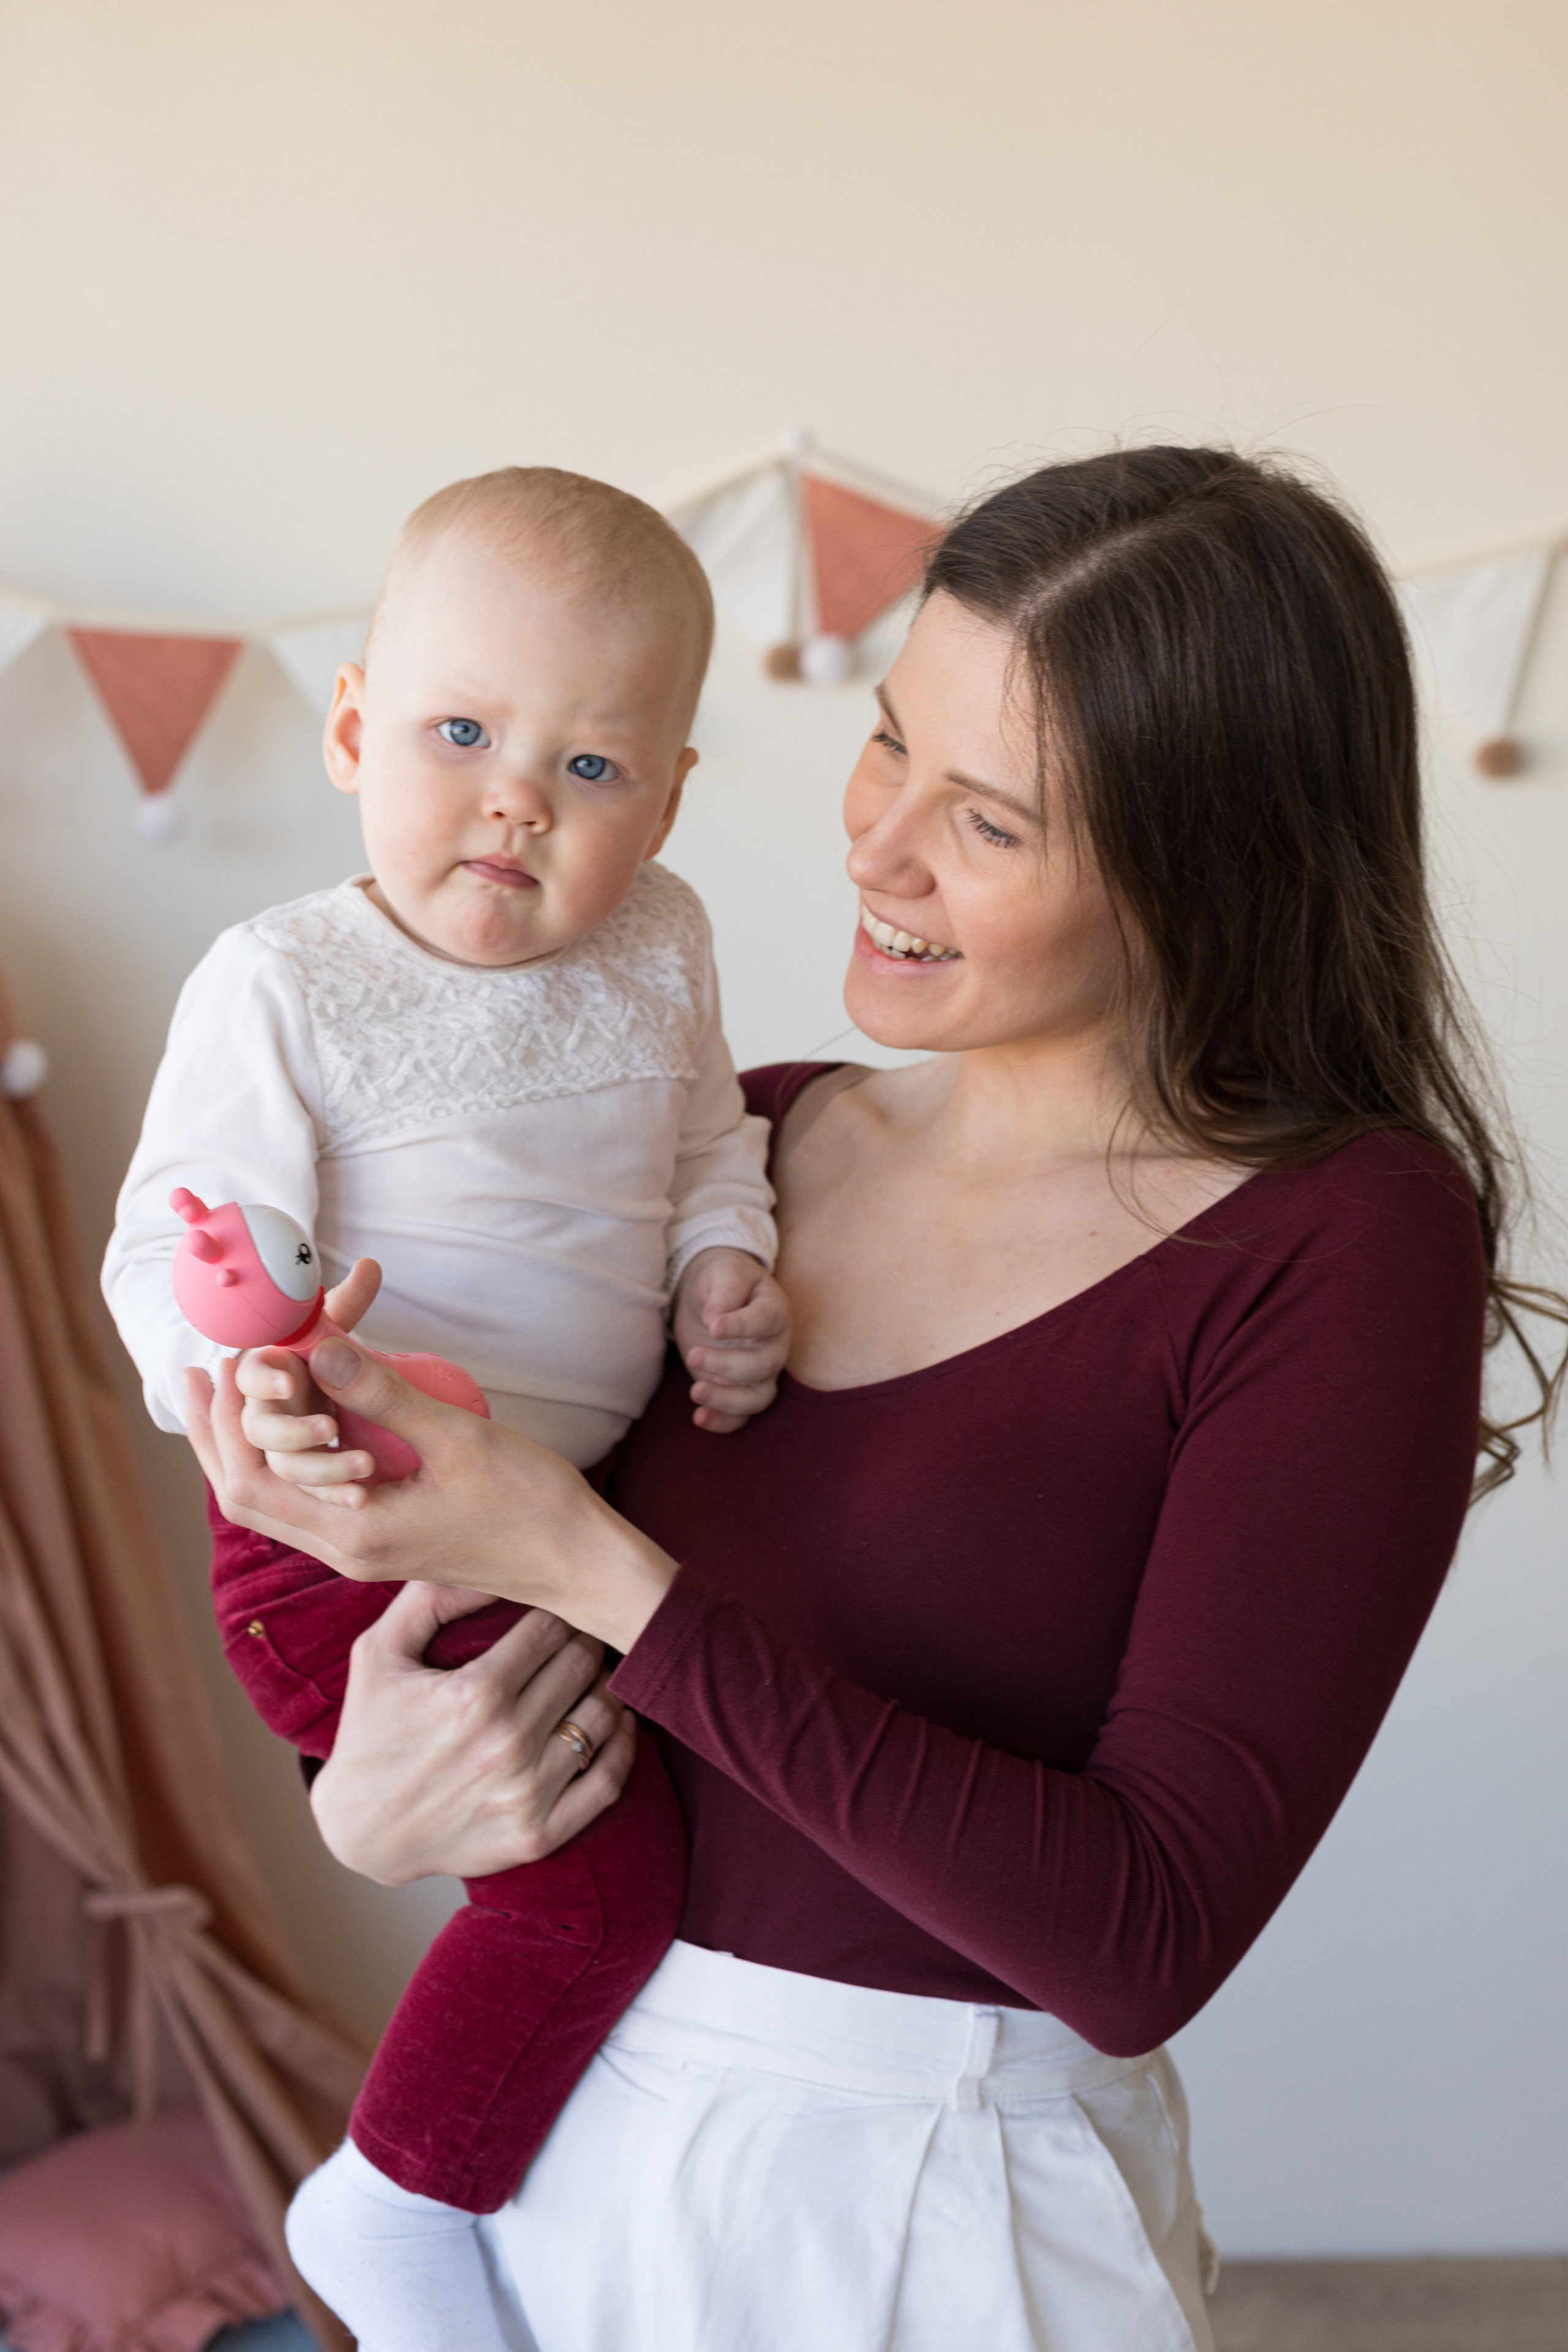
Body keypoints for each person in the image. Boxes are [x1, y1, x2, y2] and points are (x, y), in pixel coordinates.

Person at [187, 445, 1567, 2352]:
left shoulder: (1337, 1241)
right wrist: (368, 1797)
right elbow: (474, 1674)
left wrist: (599, 1569)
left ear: (1207, 872)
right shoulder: (730, 1162)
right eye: (888, 744)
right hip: (563, 2164)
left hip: (935, 2222)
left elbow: (1140, 1941)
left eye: (985, 822)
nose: (879, 850)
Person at [102, 467, 789, 2352]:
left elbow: (711, 1149)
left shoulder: (664, 942)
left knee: (695, 1857)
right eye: (463, 734)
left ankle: (563, 2218)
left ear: (668, 800)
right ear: (351, 730)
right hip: (353, 1530)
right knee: (592, 1902)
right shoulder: (283, 982)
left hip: (566, 1523)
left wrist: (726, 1273)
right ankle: (395, 2209)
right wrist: (241, 1389)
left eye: (591, 765)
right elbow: (172, 1246)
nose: (517, 800)